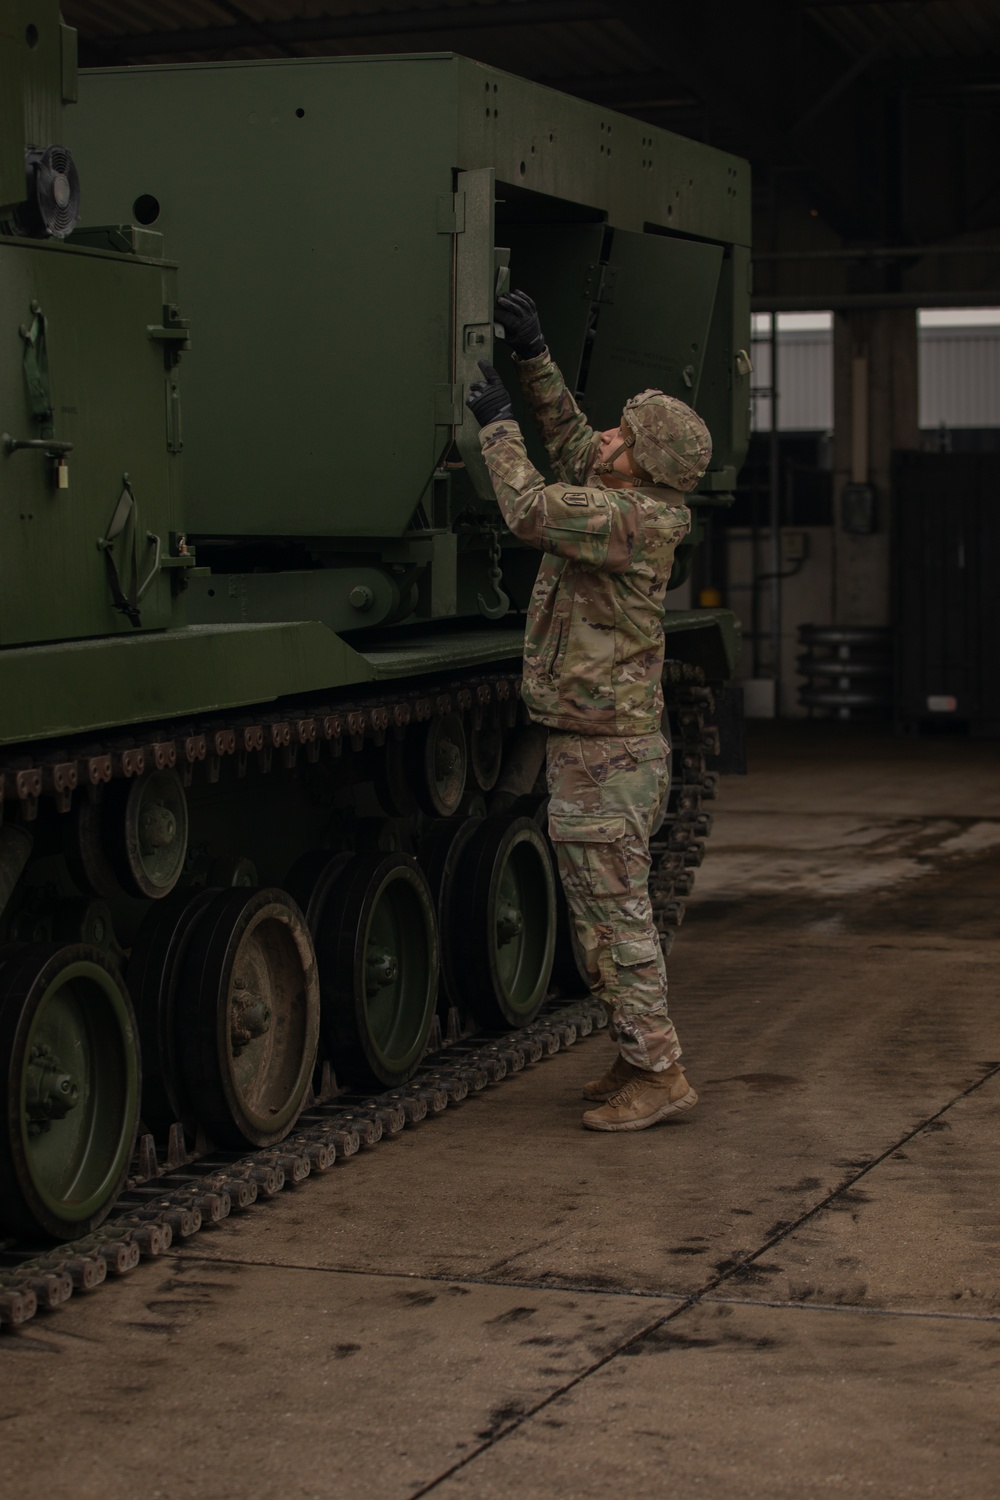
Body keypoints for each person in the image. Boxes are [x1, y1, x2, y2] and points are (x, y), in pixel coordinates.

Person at [466, 289, 712, 1133]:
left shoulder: (635, 520)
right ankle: (633, 1052)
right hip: (600, 747)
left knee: (616, 920)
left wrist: (494, 424)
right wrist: (532, 360)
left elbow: (531, 507)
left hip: (608, 756)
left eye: (622, 437)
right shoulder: (628, 493)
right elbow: (574, 444)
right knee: (601, 916)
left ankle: (662, 1072)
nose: (605, 437)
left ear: (641, 467)